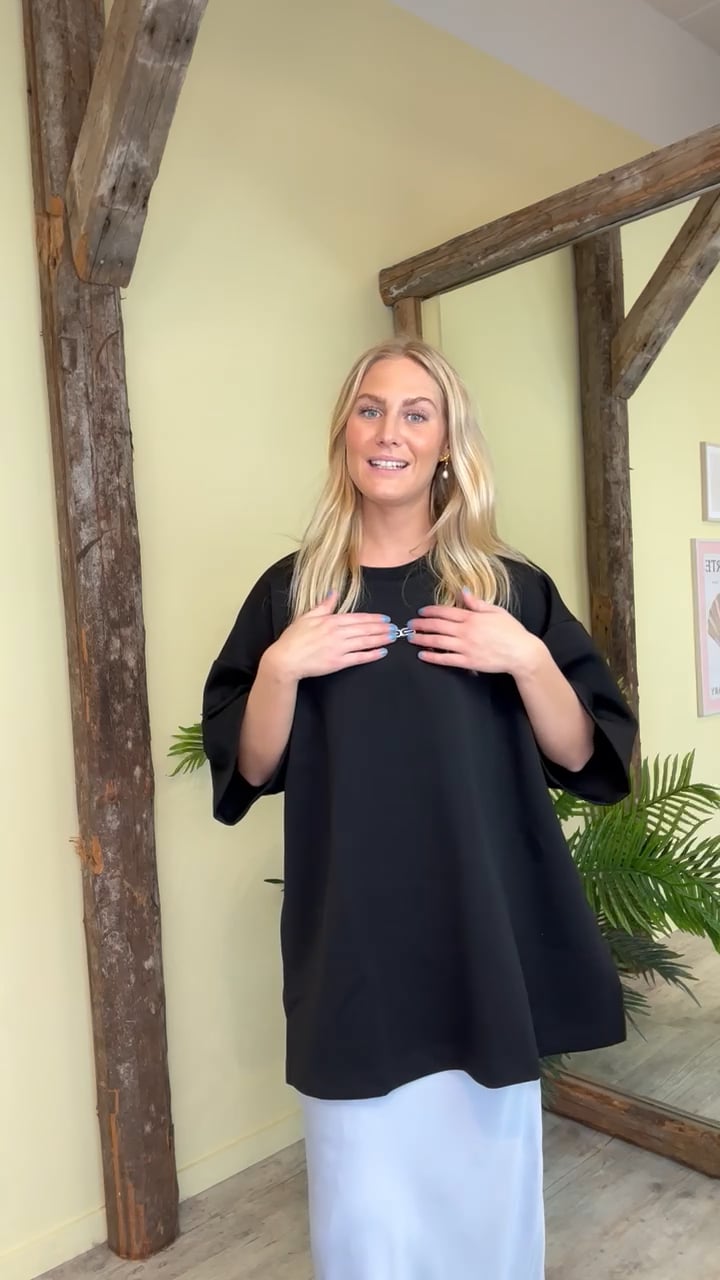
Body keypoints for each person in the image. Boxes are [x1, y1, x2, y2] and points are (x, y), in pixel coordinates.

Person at [201, 337, 637, 1280]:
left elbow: (585, 756)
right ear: (344, 434)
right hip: (353, 948)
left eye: (415, 413)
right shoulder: (294, 593)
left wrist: (526, 658)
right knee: (366, 1215)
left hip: (484, 939)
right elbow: (247, 769)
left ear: (446, 443)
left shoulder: (506, 589)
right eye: (370, 410)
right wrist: (280, 668)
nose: (388, 432)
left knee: (484, 1206)